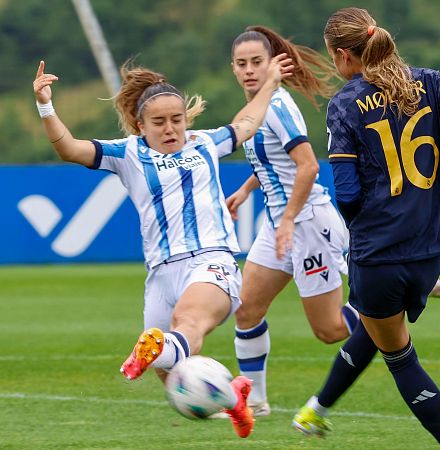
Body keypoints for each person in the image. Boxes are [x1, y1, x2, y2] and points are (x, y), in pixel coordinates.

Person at [32, 54, 292, 438]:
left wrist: (269, 83)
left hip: (211, 260)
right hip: (161, 273)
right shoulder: (128, 154)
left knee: (189, 324)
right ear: (141, 125)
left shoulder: (206, 143)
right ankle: (233, 401)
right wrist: (45, 104)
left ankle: (154, 348)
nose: (170, 129)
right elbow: (69, 148)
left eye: (177, 120)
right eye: (159, 122)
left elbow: (247, 123)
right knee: (172, 371)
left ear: (187, 121)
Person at [215, 26, 440, 419]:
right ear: (232, 68)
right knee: (247, 310)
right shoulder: (254, 111)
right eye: (241, 64)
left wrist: (289, 221)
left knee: (329, 331)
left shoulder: (277, 107)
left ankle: (396, 297)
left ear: (273, 64)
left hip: (306, 221)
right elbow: (273, 160)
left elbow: (308, 166)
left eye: (256, 62)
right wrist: (247, 190)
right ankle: (255, 402)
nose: (249, 70)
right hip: (280, 222)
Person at [290, 7, 440, 450]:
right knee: (376, 328)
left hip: (378, 252)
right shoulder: (432, 82)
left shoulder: (345, 103)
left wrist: (363, 232)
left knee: (397, 354)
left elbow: (346, 193)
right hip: (430, 246)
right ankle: (316, 410)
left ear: (343, 55)